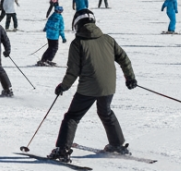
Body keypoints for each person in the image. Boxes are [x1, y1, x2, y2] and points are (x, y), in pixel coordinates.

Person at [47, 9, 137, 162]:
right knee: (105, 112)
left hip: (89, 88)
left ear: (77, 24)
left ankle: (62, 150)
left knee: (72, 117)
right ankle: (117, 144)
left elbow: (73, 70)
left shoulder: (78, 43)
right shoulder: (108, 39)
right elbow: (124, 58)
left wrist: (64, 86)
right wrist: (130, 78)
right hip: (108, 86)